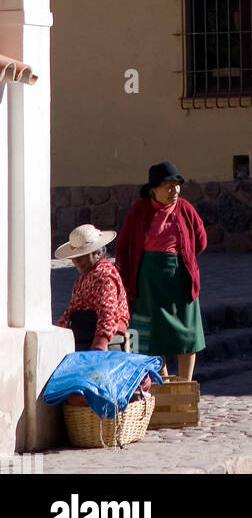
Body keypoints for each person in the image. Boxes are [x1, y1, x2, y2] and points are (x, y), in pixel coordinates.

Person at [115, 161, 207, 381]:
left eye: (177, 185)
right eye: (167, 186)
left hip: (181, 279)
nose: (174, 190)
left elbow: (200, 239)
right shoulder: (139, 210)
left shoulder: (185, 209)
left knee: (187, 336)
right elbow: (125, 244)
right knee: (153, 337)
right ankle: (164, 383)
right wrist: (125, 278)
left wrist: (184, 259)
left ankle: (185, 385)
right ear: (153, 189)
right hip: (149, 281)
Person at [55, 224, 130, 350]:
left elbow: (108, 314)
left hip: (104, 332)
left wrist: (99, 345)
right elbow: (71, 310)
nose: (77, 262)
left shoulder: (105, 276)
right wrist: (57, 334)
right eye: (74, 258)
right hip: (84, 330)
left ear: (97, 253)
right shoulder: (82, 280)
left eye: (81, 257)